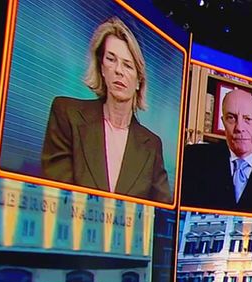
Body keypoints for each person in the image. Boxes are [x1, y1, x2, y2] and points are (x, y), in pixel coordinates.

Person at [41, 16, 172, 203]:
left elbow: (162, 210)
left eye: (128, 65)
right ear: (102, 67)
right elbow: (57, 197)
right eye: (111, 59)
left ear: (139, 80)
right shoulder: (67, 114)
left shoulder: (152, 145)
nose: (118, 70)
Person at [179, 89, 252, 214]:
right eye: (231, 118)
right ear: (223, 122)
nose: (239, 128)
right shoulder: (194, 159)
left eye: (248, 119)